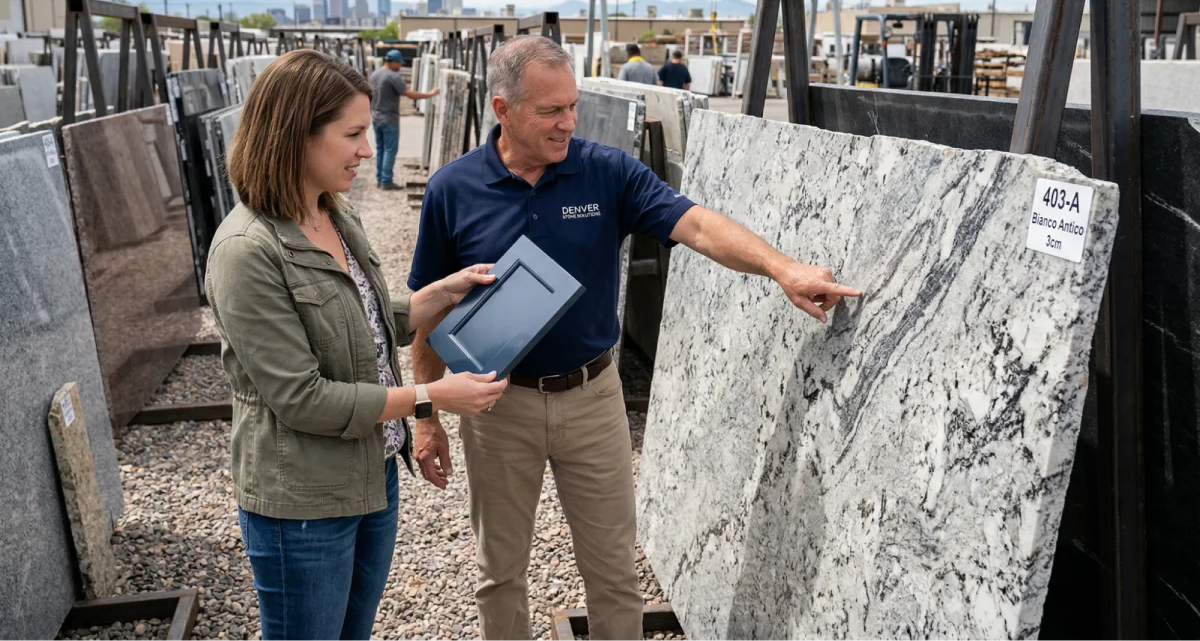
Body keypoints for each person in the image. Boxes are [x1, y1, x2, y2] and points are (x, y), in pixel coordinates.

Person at [407, 36, 861, 640]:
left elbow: (696, 223)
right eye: (549, 111)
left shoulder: (606, 171)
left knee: (614, 572)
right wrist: (425, 411)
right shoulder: (452, 190)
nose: (568, 121)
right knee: (500, 573)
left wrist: (783, 268)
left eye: (571, 105)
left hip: (594, 401)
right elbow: (427, 314)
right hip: (495, 405)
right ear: (502, 110)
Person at [207, 49, 508, 641]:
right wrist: (430, 395)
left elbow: (371, 323)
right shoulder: (248, 250)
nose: (368, 150)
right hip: (303, 503)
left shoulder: (334, 216)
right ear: (296, 135)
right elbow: (303, 399)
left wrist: (445, 291)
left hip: (373, 474)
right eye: (353, 134)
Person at [369, 48, 439, 190]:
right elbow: (409, 94)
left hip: (376, 117)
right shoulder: (393, 77)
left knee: (380, 149)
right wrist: (429, 94)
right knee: (390, 149)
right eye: (399, 63)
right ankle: (386, 181)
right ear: (393, 62)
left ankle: (380, 179)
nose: (400, 66)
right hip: (389, 118)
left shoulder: (375, 74)